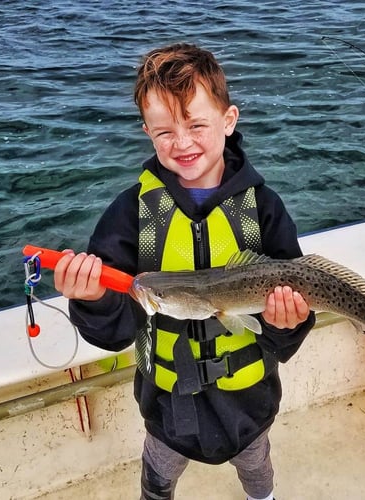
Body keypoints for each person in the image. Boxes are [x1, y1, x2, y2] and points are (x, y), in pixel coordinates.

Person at [54, 43, 314, 500]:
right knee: (159, 471)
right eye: (165, 132)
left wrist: (288, 322)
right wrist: (91, 300)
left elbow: (294, 315)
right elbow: (117, 331)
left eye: (196, 124)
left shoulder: (264, 209)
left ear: (228, 121)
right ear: (147, 133)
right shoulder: (130, 215)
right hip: (166, 403)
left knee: (256, 464)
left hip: (247, 397)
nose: (183, 142)